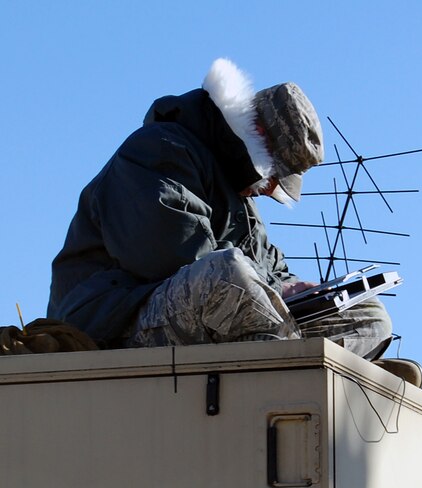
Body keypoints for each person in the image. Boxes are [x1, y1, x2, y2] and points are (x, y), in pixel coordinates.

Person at [47, 58, 394, 364]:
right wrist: (274, 289)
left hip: (202, 314)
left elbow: (271, 267)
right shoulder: (156, 151)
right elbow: (172, 256)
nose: (270, 188)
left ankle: (323, 370)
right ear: (257, 134)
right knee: (228, 275)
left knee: (370, 317)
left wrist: (300, 290)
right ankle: (290, 372)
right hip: (113, 325)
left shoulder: (238, 197)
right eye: (274, 176)